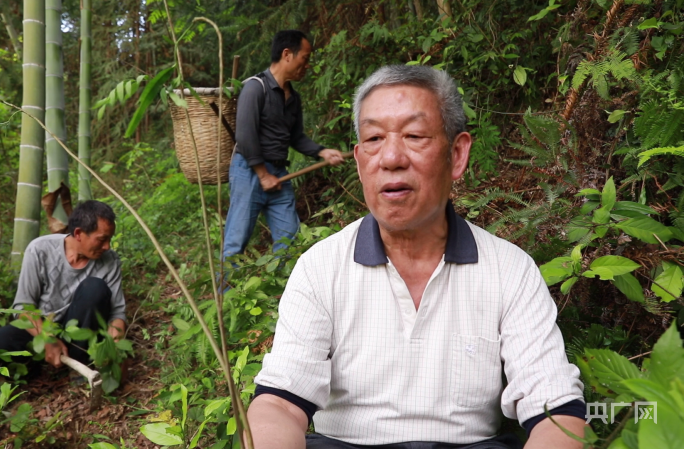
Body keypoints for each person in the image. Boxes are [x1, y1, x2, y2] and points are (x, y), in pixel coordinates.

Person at [246, 65, 587, 449]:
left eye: (414, 135)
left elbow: (557, 411)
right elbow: (278, 403)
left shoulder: (509, 270)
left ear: (457, 155)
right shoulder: (320, 268)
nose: (391, 157)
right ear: (359, 162)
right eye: (374, 138)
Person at [223, 30, 345, 261]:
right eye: (305, 58)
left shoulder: (293, 98)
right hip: (249, 172)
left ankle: (281, 294)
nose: (307, 65)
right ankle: (226, 297)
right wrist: (262, 174)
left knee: (290, 242)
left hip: (279, 174)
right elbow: (245, 136)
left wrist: (322, 151)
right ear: (287, 54)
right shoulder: (255, 88)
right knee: (235, 243)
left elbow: (296, 137)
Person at [0, 200, 127, 370]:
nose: (107, 246)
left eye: (109, 239)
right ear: (79, 233)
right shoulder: (40, 250)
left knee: (94, 288)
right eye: (102, 239)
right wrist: (48, 339)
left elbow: (116, 312)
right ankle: (40, 371)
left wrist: (116, 350)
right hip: (44, 329)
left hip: (82, 335)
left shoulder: (110, 260)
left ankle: (80, 367)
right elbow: (23, 307)